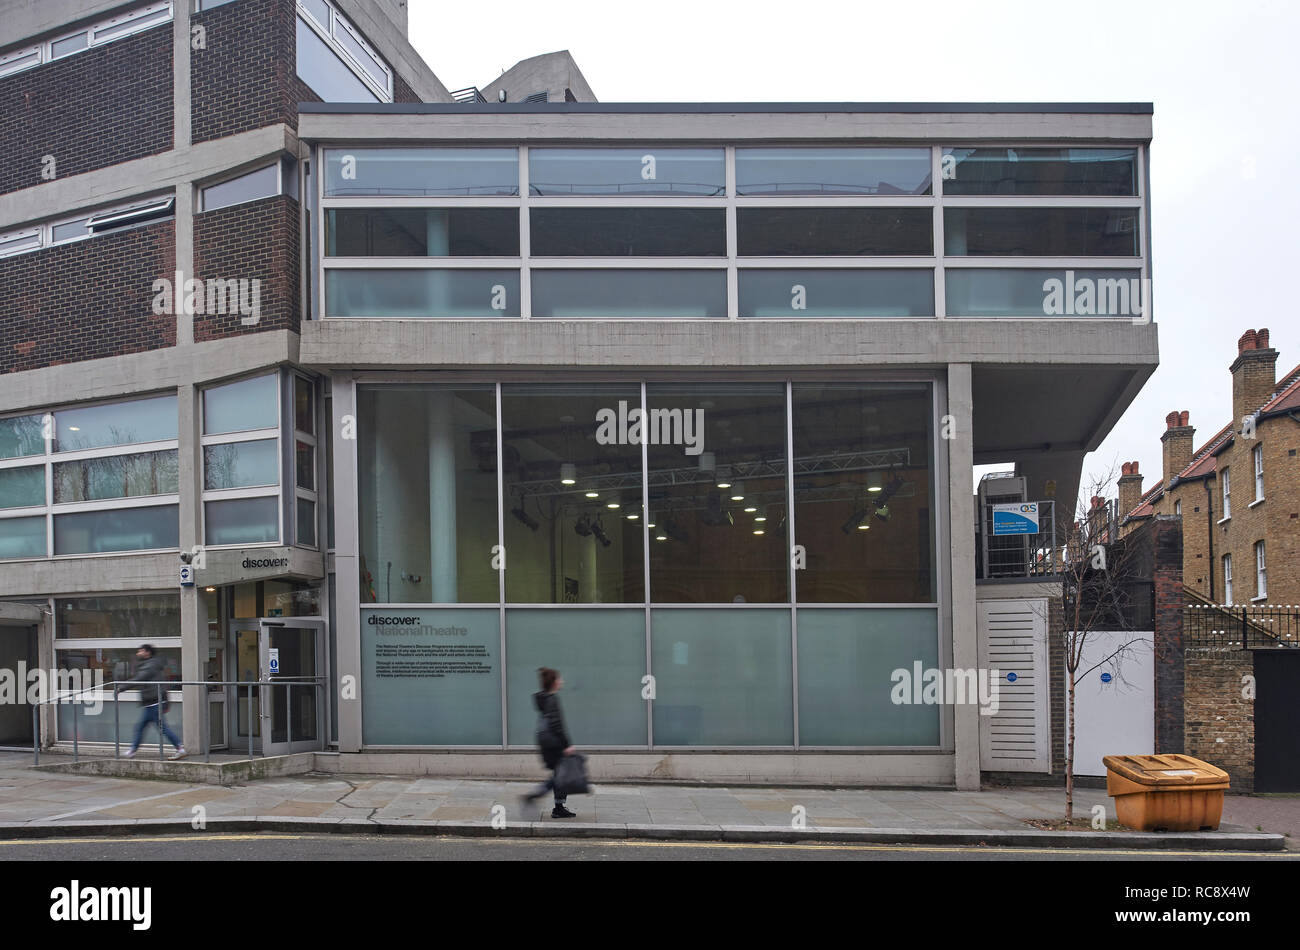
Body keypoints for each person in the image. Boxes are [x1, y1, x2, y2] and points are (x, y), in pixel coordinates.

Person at [521, 667, 575, 818]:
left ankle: (558, 807)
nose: (561, 681)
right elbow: (557, 724)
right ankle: (536, 796)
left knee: (560, 773)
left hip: (545, 739)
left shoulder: (543, 698)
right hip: (553, 741)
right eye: (559, 679)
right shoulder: (552, 699)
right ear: (554, 682)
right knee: (561, 774)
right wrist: (567, 744)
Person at [123, 644, 186, 760]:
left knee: (159, 728)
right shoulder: (150, 664)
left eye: (140, 651)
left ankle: (180, 748)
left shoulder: (150, 665)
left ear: (147, 653)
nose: (138, 653)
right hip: (152, 703)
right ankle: (132, 750)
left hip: (154, 704)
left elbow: (139, 679)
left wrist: (121, 687)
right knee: (142, 727)